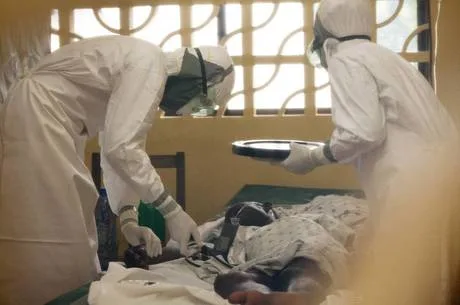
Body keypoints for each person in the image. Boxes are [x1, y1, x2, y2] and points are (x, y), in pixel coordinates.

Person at [232, 0, 458, 304]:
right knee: (424, 269)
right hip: (442, 175)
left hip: (410, 183)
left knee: (405, 280)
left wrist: (313, 157)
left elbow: (363, 131)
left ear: (327, 36)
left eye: (315, 33)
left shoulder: (345, 58)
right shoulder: (389, 59)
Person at [0, 35, 235, 305]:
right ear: (196, 78)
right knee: (52, 231)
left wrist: (128, 217)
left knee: (71, 227)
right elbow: (121, 148)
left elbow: (119, 150)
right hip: (40, 115)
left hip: (54, 121)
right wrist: (171, 210)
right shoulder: (149, 64)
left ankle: (65, 296)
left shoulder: (147, 69)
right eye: (199, 105)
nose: (189, 112)